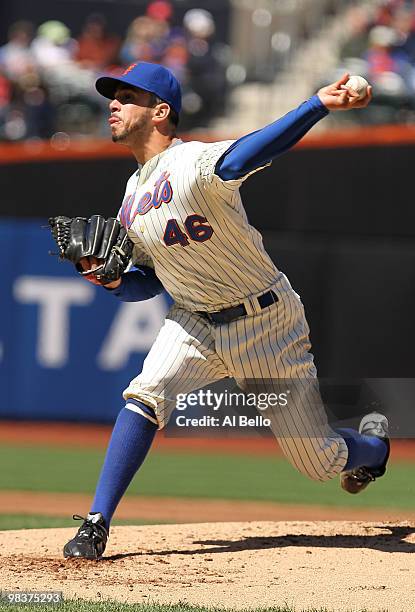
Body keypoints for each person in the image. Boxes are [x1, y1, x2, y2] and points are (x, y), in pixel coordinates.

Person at [63, 61, 390, 560]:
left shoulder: (193, 162)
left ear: (160, 112)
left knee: (319, 462)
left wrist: (317, 105)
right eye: (114, 96)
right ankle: (95, 522)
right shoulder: (131, 197)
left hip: (264, 322)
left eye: (127, 97)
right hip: (193, 319)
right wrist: (108, 279)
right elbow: (148, 283)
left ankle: (374, 446)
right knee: (145, 396)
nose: (113, 104)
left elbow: (251, 153)